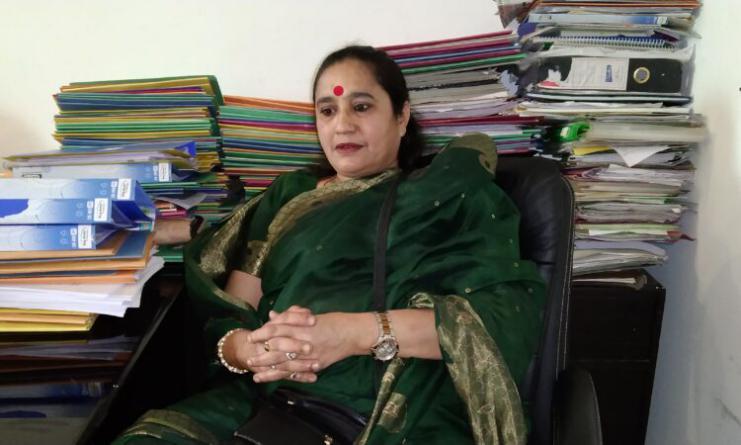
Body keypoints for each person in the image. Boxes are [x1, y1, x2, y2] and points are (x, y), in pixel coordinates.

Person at [115, 45, 545, 445]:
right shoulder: (290, 199)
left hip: (393, 411)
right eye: (327, 110)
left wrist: (351, 333)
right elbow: (229, 317)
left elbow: (501, 317)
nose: (342, 124)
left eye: (362, 106)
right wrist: (250, 350)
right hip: (265, 405)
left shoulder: (447, 195)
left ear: (401, 116)